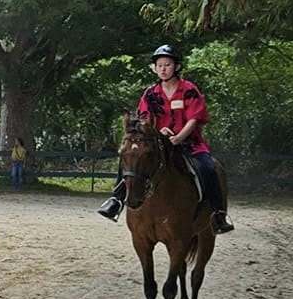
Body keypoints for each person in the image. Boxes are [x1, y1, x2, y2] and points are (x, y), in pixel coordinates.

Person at [97, 45, 234, 232]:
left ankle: (218, 214)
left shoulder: (189, 90)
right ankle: (116, 200)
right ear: (155, 68)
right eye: (159, 65)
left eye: (167, 64)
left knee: (209, 168)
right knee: (131, 160)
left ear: (176, 66)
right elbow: (143, 120)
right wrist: (158, 131)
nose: (163, 68)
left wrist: (179, 137)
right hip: (158, 143)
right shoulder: (150, 93)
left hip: (189, 143)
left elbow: (195, 118)